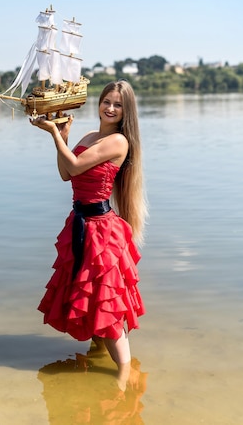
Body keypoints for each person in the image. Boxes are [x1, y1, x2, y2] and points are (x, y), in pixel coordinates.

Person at [31, 80, 147, 389]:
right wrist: (65, 138)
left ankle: (123, 377)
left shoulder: (119, 142)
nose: (110, 108)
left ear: (125, 112)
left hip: (101, 230)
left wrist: (55, 134)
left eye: (117, 104)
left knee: (107, 307)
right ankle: (100, 353)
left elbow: (76, 163)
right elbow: (66, 172)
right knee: (92, 299)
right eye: (106, 101)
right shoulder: (90, 137)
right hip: (80, 223)